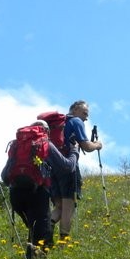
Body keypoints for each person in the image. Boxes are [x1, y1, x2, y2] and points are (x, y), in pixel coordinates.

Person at [1, 120, 80, 259]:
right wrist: (75, 151)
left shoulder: (16, 145)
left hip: (15, 196)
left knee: (34, 227)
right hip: (37, 193)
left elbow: (4, 176)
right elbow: (68, 166)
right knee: (42, 232)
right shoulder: (45, 143)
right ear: (46, 131)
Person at [50, 100, 103, 240]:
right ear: (74, 110)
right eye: (84, 113)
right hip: (68, 166)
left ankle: (44, 229)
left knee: (59, 207)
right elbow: (86, 146)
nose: (86, 117)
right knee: (69, 206)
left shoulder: (57, 125)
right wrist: (97, 145)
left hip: (51, 168)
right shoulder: (75, 122)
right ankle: (63, 242)